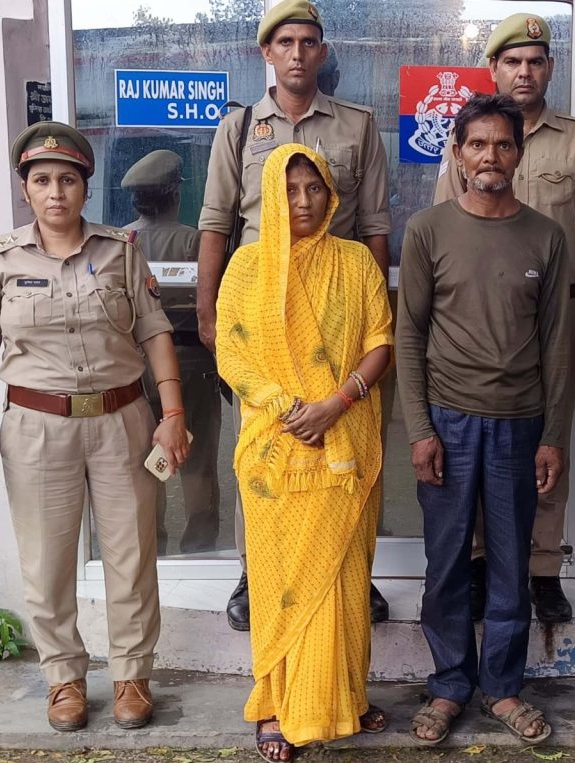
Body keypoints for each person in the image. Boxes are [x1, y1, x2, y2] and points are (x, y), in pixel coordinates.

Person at [0, 122, 191, 731]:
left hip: (121, 420)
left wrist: (172, 414)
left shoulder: (121, 250)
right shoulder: (0, 260)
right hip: (37, 426)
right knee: (47, 560)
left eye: (67, 179)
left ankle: (132, 676)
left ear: (85, 187)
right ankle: (63, 679)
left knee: (131, 553)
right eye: (42, 180)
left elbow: (155, 333)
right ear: (26, 190)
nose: (55, 192)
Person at [197, 0, 392, 630]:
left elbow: (374, 224)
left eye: (309, 42)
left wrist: (372, 310)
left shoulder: (358, 125)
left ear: (323, 51)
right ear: (267, 53)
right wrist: (208, 314)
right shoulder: (238, 129)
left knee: (343, 438)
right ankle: (255, 570)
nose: (298, 53)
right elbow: (215, 223)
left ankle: (349, 567)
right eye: (285, 42)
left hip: (336, 305)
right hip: (261, 314)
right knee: (265, 441)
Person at [398, 94, 575, 746]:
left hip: (519, 424)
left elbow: (558, 343)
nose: (490, 156)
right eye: (477, 144)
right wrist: (420, 429)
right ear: (457, 152)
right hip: (447, 423)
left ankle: (502, 687)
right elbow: (409, 334)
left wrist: (553, 435)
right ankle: (448, 685)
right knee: (446, 563)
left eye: (502, 144)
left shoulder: (546, 237)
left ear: (519, 154)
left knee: (509, 565)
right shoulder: (427, 230)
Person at [215, 143, 393, 762]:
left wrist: (335, 405)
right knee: (281, 584)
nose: (303, 201)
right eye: (289, 190)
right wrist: (287, 406)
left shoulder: (355, 261)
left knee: (345, 577)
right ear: (270, 196)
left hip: (344, 445)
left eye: (314, 188)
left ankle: (346, 697)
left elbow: (380, 341)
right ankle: (274, 705)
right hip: (276, 453)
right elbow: (231, 352)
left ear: (331, 194)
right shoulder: (247, 266)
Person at [434, 13, 575, 624]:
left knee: (547, 440)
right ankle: (481, 561)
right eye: (512, 61)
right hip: (482, 317)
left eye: (536, 61)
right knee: (479, 441)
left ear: (551, 68)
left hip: (556, 315)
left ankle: (542, 568)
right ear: (494, 69)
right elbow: (444, 224)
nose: (525, 72)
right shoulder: (467, 138)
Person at [122, 149, 220, 555]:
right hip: (191, 361)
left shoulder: (123, 243)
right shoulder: (194, 241)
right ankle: (199, 548)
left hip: (136, 364)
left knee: (146, 461)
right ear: (175, 195)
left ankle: (153, 550)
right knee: (197, 462)